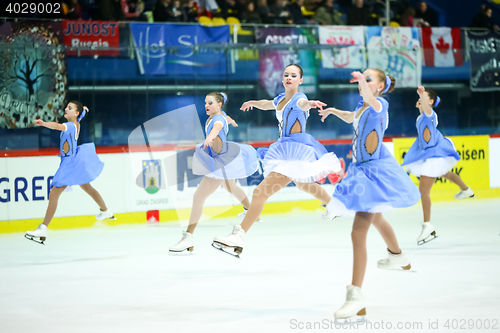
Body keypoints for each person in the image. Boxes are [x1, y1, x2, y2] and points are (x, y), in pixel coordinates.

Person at [319, 69, 420, 322]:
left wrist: (362, 82)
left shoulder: (380, 105)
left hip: (372, 173)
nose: (362, 82)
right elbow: (351, 116)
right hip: (362, 170)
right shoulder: (362, 107)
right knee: (378, 219)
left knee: (357, 231)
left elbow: (371, 100)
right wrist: (332, 111)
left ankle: (356, 296)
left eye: (369, 78)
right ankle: (398, 256)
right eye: (362, 78)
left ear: (380, 87)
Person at [212, 64, 342, 258]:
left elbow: (304, 104)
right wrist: (254, 102)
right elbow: (268, 104)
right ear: (282, 78)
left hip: (293, 151)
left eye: (294, 75)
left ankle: (239, 235)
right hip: (284, 149)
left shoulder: (300, 98)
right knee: (303, 184)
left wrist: (311, 104)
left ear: (301, 80)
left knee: (259, 192)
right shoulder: (281, 99)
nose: (289, 78)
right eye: (286, 75)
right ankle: (333, 205)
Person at [169, 92, 260, 254]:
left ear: (219, 104)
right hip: (225, 158)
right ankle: (251, 210)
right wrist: (230, 120)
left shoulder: (217, 119)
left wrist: (209, 137)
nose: (206, 105)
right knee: (230, 187)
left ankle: (188, 237)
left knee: (198, 197)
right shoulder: (220, 115)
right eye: (205, 102)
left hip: (220, 162)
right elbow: (225, 118)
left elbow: (218, 126)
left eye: (210, 103)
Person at [25, 102, 114, 244]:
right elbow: (81, 115)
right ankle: (105, 211)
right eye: (66, 107)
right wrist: (84, 110)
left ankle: (43, 228)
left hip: (69, 163)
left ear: (76, 113)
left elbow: (56, 126)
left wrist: (43, 123)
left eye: (70, 108)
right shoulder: (77, 121)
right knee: (87, 187)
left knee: (54, 193)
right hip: (74, 160)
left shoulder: (70, 126)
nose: (66, 109)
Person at [401, 85, 474, 246]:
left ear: (431, 101)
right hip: (431, 154)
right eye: (419, 96)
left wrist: (422, 94)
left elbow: (428, 111)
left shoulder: (429, 115)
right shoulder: (421, 117)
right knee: (445, 173)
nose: (419, 99)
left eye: (423, 97)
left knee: (423, 192)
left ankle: (427, 225)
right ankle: (465, 189)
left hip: (432, 157)